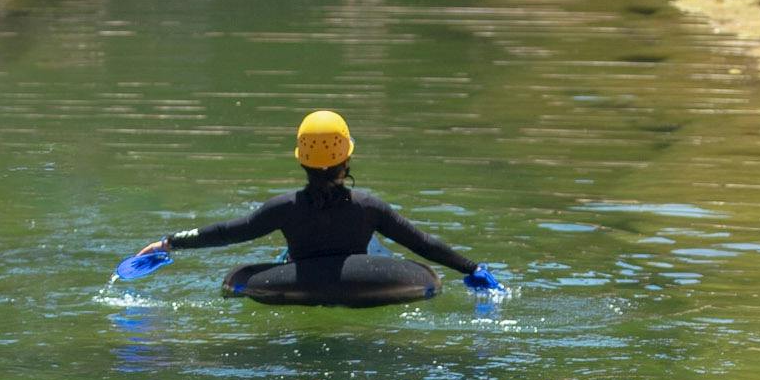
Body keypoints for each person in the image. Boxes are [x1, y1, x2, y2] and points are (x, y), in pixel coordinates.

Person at [128, 109, 497, 298]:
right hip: (367, 284)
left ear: (301, 159)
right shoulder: (368, 208)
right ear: (347, 160)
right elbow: (422, 243)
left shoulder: (284, 208)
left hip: (298, 281)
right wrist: (470, 267)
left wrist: (170, 242)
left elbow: (229, 232)